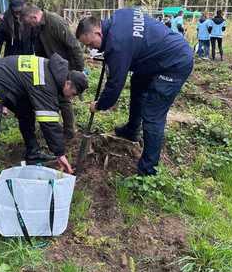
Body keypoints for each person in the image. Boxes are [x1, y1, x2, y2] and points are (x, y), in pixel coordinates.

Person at [0, 53, 88, 202]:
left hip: (8, 83)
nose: (71, 98)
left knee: (26, 113)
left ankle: (33, 153)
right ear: (68, 83)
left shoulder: (54, 72)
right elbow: (49, 122)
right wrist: (60, 153)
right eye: (73, 94)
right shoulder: (46, 83)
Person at [76, 9, 193, 177]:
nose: (90, 49)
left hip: (174, 63)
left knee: (153, 114)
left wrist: (100, 104)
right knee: (138, 83)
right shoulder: (119, 16)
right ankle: (132, 130)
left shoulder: (117, 45)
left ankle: (148, 170)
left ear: (97, 32)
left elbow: (115, 85)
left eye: (90, 44)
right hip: (154, 58)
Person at [20, 3, 85, 139]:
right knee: (48, 97)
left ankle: (68, 132)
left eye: (29, 23)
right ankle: (52, 128)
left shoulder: (55, 22)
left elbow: (74, 47)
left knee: (64, 99)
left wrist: (78, 72)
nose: (29, 26)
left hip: (64, 66)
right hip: (49, 66)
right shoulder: (38, 26)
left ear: (34, 17)